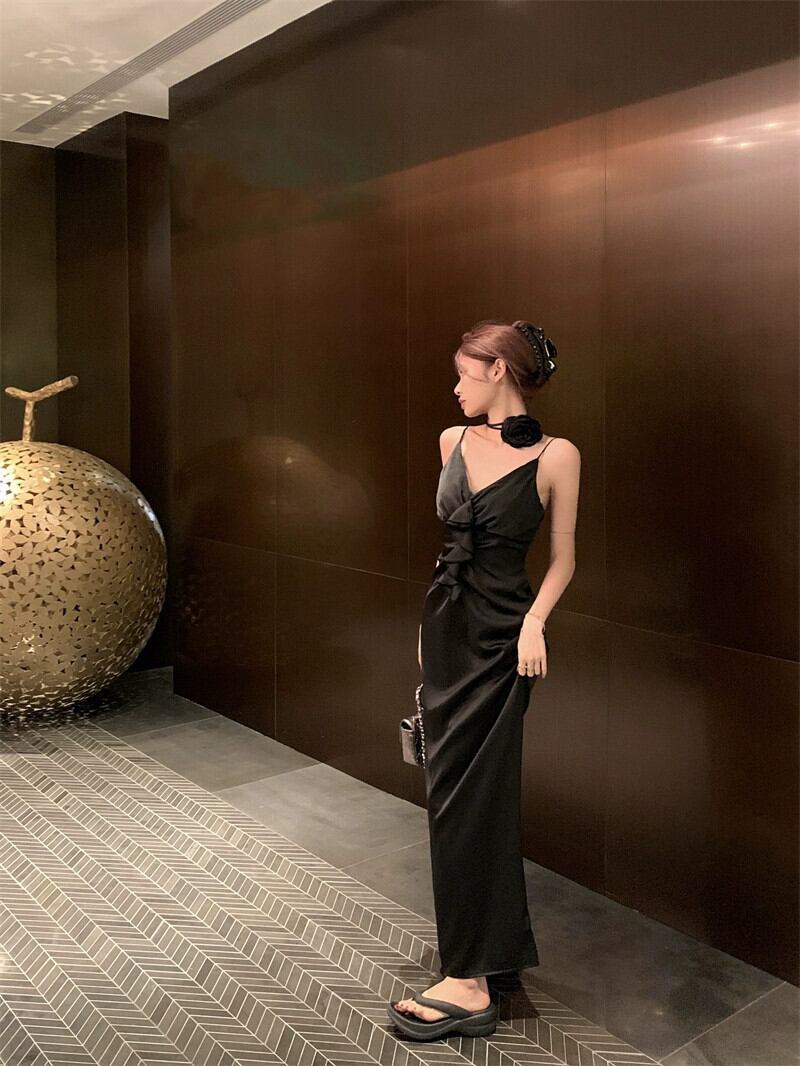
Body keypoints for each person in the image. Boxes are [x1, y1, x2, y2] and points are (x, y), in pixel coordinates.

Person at [387, 319, 581, 1042]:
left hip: (504, 641)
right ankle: (487, 958)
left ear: (498, 370)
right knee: (451, 798)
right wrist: (426, 627)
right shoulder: (452, 441)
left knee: (475, 802)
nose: (456, 388)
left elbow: (563, 558)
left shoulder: (558, 456)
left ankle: (468, 982)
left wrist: (535, 623)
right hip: (448, 632)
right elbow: (449, 550)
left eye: (465, 374)